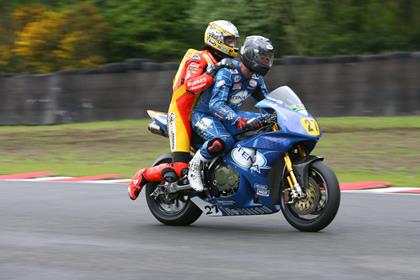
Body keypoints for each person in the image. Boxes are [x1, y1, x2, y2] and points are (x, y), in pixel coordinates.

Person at [128, 20, 240, 200]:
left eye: (235, 41)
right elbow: (190, 86)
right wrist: (212, 72)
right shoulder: (199, 58)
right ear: (216, 39)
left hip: (208, 116)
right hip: (182, 115)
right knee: (180, 169)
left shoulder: (226, 63)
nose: (233, 46)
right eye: (229, 41)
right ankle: (144, 175)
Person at [188, 35, 275, 192]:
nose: (266, 62)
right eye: (262, 58)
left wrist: (277, 115)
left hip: (230, 117)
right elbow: (215, 104)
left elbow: (267, 104)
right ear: (250, 55)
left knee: (267, 124)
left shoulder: (256, 78)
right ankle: (195, 166)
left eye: (268, 59)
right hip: (205, 115)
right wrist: (236, 119)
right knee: (224, 140)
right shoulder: (228, 72)